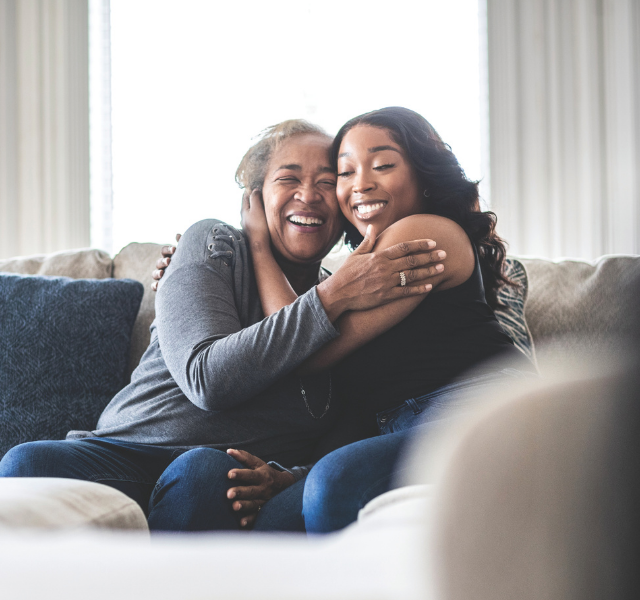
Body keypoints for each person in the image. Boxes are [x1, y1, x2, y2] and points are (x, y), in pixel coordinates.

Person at [0, 119, 445, 532]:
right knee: (25, 464)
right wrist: (332, 296)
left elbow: (354, 422)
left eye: (328, 183)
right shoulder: (215, 245)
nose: (309, 194)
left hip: (220, 473)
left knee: (203, 473)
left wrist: (292, 477)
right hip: (124, 452)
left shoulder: (360, 293)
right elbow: (207, 378)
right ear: (254, 198)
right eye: (288, 178)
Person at [235, 107, 537, 532]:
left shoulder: (424, 232)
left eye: (383, 165)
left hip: (481, 412)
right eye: (344, 172)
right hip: (405, 429)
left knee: (335, 482)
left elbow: (305, 350)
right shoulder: (358, 271)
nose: (361, 184)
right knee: (270, 524)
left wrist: (259, 245)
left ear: (424, 177)